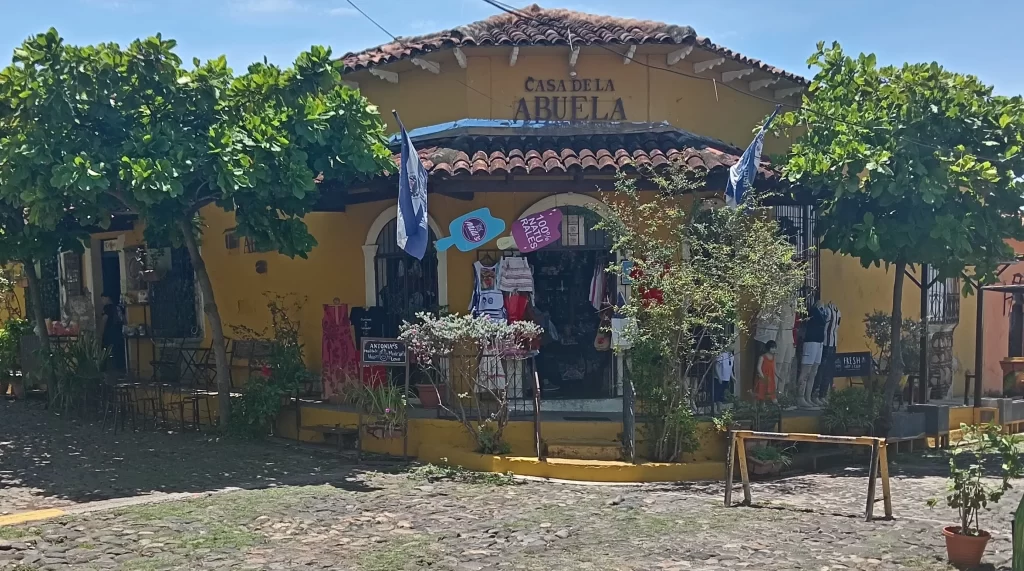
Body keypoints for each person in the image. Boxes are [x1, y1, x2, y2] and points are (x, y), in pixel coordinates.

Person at [99, 294, 125, 371]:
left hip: (109, 333)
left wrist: (100, 333)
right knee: (118, 351)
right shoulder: (119, 307)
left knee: (105, 352)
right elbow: (124, 319)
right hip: (119, 332)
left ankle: (104, 369)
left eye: (103, 299)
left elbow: (104, 320)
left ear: (107, 298)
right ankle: (120, 368)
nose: (102, 301)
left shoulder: (107, 308)